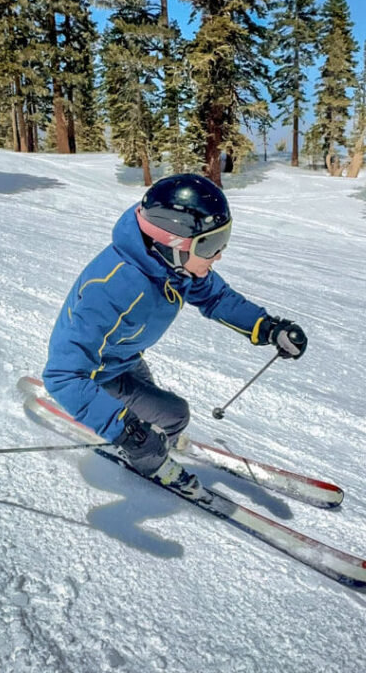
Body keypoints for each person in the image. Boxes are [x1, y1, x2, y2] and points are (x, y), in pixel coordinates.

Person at [43, 173, 307, 497]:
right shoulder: (113, 288)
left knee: (155, 408)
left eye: (223, 239)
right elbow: (62, 375)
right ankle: (150, 460)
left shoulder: (172, 267)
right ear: (175, 244)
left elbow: (217, 298)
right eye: (209, 245)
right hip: (98, 375)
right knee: (175, 415)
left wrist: (268, 327)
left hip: (124, 359)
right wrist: (127, 432)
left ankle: (150, 434)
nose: (219, 254)